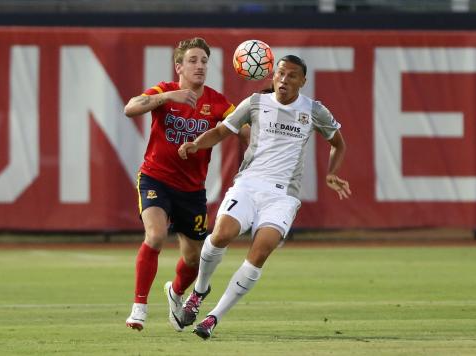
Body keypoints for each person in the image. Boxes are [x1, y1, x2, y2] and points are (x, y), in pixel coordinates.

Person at [177, 55, 352, 339]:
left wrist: (332, 172)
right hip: (248, 184)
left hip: (283, 196)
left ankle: (213, 318)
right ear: (273, 76)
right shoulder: (256, 103)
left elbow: (338, 144)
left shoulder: (314, 110)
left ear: (302, 82)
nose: (285, 79)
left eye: (292, 76)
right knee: (221, 235)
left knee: (261, 251)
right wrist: (197, 144)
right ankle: (198, 292)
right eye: (281, 73)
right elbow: (223, 130)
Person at [123, 37, 238, 332]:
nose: (200, 66)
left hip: (192, 190)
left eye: (204, 61)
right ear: (179, 66)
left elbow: (242, 124)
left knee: (194, 258)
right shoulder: (164, 91)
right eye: (193, 60)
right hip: (155, 178)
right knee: (156, 234)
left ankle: (175, 292)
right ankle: (139, 308)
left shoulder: (216, 102)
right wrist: (165, 99)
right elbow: (131, 108)